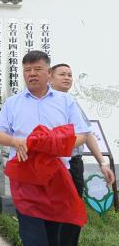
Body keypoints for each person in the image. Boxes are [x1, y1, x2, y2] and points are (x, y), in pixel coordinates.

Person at [0, 50, 89, 246]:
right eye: (27, 70)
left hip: (57, 177)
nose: (32, 74)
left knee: (54, 236)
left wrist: (57, 144)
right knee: (32, 237)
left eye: (37, 69)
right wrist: (15, 142)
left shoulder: (66, 101)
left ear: (48, 72)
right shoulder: (13, 103)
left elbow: (82, 134)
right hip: (25, 178)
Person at [50, 63, 116, 194]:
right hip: (50, 164)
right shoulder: (42, 102)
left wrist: (102, 164)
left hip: (74, 164)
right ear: (50, 78)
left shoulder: (71, 101)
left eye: (69, 75)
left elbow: (86, 133)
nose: (67, 78)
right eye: (62, 74)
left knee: (73, 206)